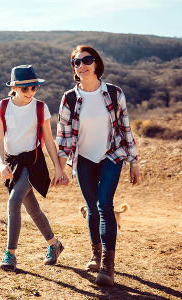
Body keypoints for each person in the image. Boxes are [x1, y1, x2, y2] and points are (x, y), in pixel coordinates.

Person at [56, 45, 140, 286]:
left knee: (104, 204)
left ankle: (107, 266)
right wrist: (60, 169)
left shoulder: (114, 93)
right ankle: (95, 253)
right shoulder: (69, 98)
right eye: (76, 62)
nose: (81, 65)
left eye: (86, 60)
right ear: (73, 68)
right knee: (91, 208)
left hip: (112, 156)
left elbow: (125, 128)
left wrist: (134, 162)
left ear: (96, 64)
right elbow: (63, 138)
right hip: (83, 159)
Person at [0, 65, 69, 272]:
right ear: (15, 87)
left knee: (14, 202)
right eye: (25, 88)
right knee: (32, 208)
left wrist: (58, 169)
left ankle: (10, 254)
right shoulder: (2, 107)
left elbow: (50, 140)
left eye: (34, 88)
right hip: (12, 163)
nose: (30, 93)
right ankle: (54, 245)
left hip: (33, 162)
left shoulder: (40, 107)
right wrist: (1, 163)